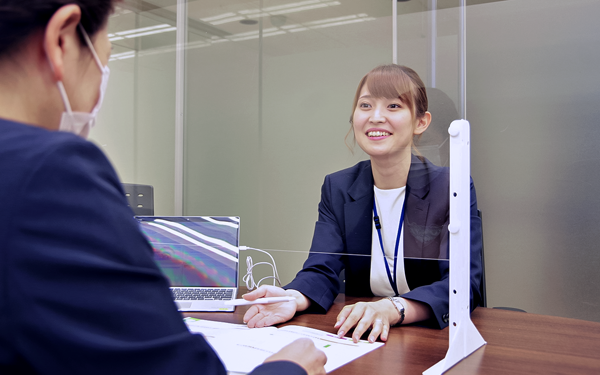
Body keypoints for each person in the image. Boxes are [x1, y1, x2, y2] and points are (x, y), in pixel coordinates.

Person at [0, 1, 326, 374]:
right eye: (103, 62)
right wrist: (289, 368)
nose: (96, 94)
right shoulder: (51, 170)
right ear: (61, 39)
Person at [243, 65, 483, 343]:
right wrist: (293, 298)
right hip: (362, 337)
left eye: (393, 106)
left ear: (421, 122)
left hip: (432, 337)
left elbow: (463, 284)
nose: (376, 117)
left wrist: (393, 308)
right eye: (365, 105)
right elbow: (322, 267)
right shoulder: (339, 187)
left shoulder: (450, 187)